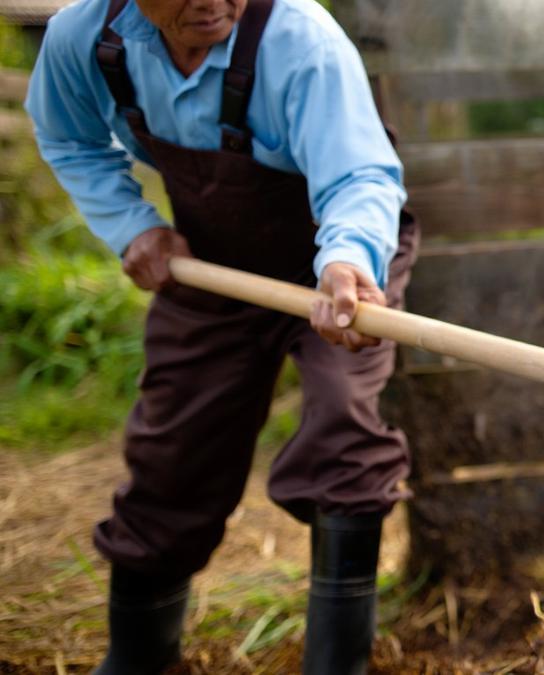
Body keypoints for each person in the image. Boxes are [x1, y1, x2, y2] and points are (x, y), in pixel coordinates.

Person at [24, 0, 419, 672]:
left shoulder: (301, 41)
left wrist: (348, 261)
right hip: (209, 262)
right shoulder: (84, 41)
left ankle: (336, 665)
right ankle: (139, 658)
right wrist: (133, 226)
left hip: (339, 265)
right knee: (175, 447)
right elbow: (69, 139)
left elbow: (356, 175)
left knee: (343, 421)